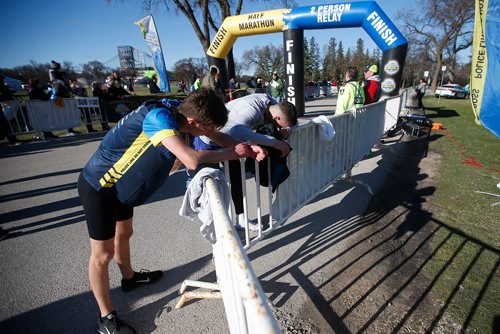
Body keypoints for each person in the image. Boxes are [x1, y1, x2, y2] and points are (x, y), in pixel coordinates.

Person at [77, 87, 266, 333]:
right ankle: (105, 317)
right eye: (206, 128)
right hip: (99, 186)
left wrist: (248, 148)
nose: (210, 133)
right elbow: (190, 159)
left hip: (121, 187)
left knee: (125, 234)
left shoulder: (184, 109)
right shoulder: (159, 118)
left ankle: (129, 278)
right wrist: (231, 154)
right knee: (102, 254)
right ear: (192, 121)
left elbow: (219, 137)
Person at [194, 93, 297, 230]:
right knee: (210, 186)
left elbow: (292, 121)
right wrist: (274, 142)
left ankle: (240, 219)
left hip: (228, 140)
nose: (278, 129)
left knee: (236, 178)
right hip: (208, 141)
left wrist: (288, 129)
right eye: (279, 125)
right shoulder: (251, 110)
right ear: (276, 118)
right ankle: (213, 227)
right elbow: (236, 132)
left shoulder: (270, 102)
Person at [0, 74, 19, 144]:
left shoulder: (4, 86)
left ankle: (12, 138)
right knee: (6, 123)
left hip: (8, 105)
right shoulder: (2, 87)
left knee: (8, 123)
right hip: (4, 106)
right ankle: (10, 138)